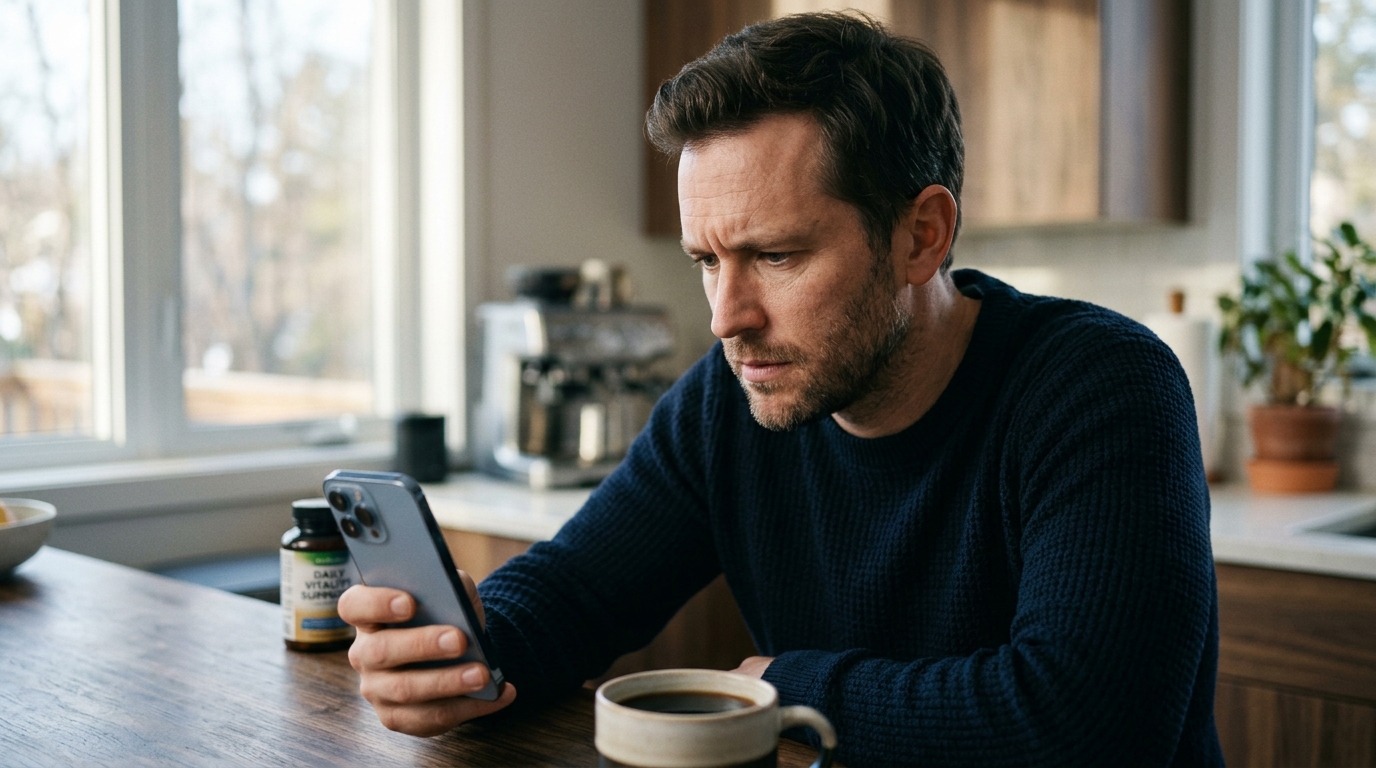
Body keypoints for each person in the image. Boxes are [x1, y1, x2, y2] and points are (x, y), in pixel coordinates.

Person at [338, 12, 1222, 766]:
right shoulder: (727, 404)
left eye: (776, 255)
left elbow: (1087, 725)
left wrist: (785, 684)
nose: (727, 317)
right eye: (706, 261)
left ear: (922, 235)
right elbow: (577, 590)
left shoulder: (1102, 386)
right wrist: (465, 650)